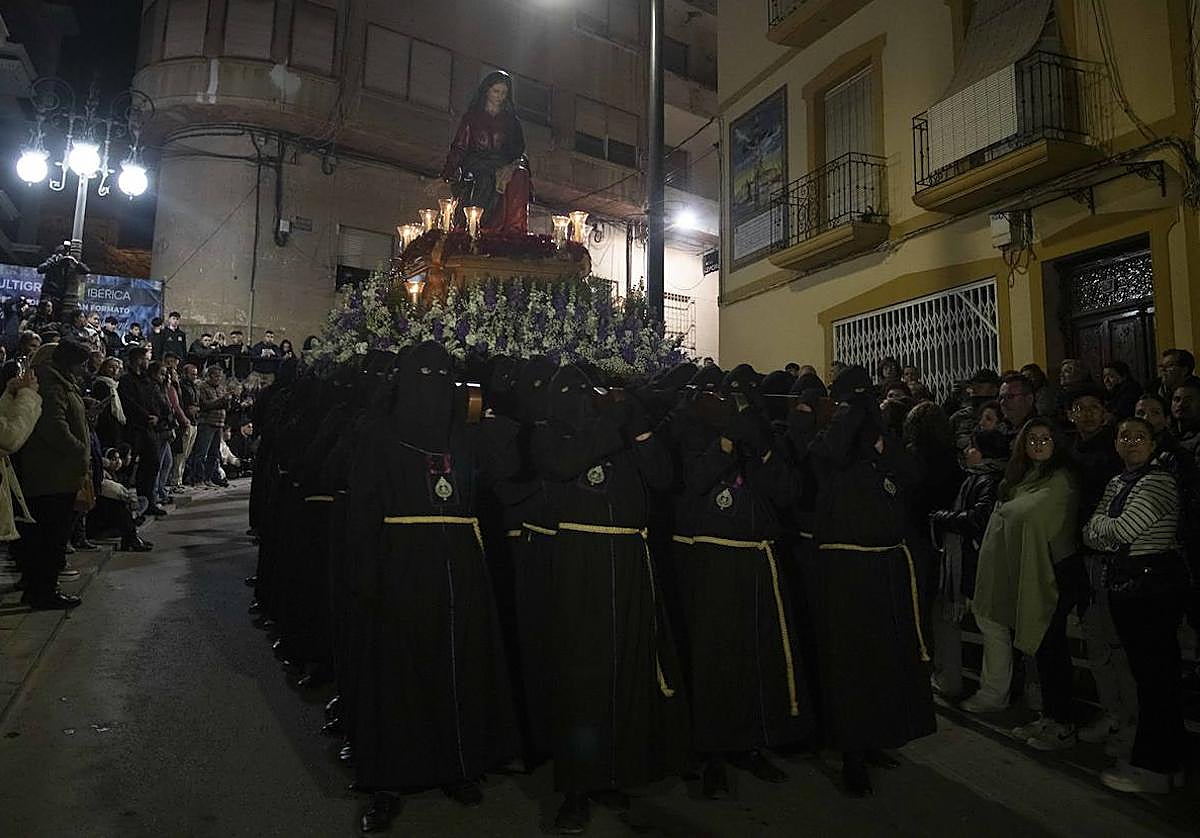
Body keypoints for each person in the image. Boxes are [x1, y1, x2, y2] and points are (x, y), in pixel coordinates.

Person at [349, 342, 521, 832]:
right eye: (423, 376)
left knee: (456, 666)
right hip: (398, 570)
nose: (433, 386)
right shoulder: (380, 438)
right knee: (397, 672)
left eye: (442, 376)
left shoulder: (464, 440)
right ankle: (386, 781)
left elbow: (505, 465)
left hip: (459, 569)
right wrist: (365, 574)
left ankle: (458, 764)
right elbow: (360, 514)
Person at [531, 363, 685, 832]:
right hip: (581, 563)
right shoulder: (549, 433)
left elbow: (662, 478)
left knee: (627, 667)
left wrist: (637, 427)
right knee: (582, 676)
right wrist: (609, 423)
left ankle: (616, 770)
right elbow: (561, 465)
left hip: (629, 560)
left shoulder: (621, 429)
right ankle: (576, 787)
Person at [675, 364, 812, 798]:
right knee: (716, 657)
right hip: (714, 558)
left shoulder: (767, 440)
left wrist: (763, 451)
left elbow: (788, 492)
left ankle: (752, 742)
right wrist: (725, 444)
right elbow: (693, 482)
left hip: (756, 558)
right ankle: (713, 750)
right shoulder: (696, 435)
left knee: (757, 654)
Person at [807, 365, 935, 796]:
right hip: (845, 568)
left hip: (885, 564)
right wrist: (849, 422)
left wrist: (881, 443)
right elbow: (828, 457)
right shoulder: (826, 444)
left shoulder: (883, 443)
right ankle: (851, 752)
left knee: (883, 659)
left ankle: (878, 734)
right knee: (850, 663)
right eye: (850, 403)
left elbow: (914, 476)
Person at [1084, 416, 1189, 794]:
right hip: (1128, 586)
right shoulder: (1117, 481)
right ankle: (1167, 762)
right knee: (1150, 678)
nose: (1130, 442)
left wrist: (1104, 530)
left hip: (1151, 589)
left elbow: (1120, 530)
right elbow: (1089, 530)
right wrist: (1105, 531)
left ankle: (1154, 767)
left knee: (1156, 680)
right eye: (1123, 436)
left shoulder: (1158, 482)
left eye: (1140, 436)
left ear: (1154, 443)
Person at [971, 419, 1082, 751]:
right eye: (1031, 439)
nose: (1038, 444)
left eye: (1045, 438)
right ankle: (1050, 716)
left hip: (1053, 572)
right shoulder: (1023, 478)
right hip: (1028, 570)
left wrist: (1006, 512)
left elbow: (1029, 516)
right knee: (1045, 651)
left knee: (1052, 649)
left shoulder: (1062, 481)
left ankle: (1063, 723)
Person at [929, 429, 1008, 698]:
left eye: (971, 447)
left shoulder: (989, 479)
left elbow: (978, 518)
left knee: (992, 628)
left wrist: (941, 517)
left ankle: (994, 692)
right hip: (975, 559)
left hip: (980, 561)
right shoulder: (979, 478)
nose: (966, 452)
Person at [13, 340, 90, 609]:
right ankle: (43, 591)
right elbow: (53, 425)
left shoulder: (60, 381)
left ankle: (40, 587)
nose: (84, 370)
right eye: (81, 364)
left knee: (50, 535)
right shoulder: (50, 383)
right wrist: (79, 449)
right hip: (52, 472)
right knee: (50, 536)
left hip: (58, 471)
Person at [441, 70, 532, 234]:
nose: (500, 96)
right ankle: (477, 227)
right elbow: (459, 148)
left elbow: (520, 152)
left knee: (520, 175)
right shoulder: (472, 117)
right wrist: (446, 175)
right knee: (485, 179)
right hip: (478, 165)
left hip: (504, 164)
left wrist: (510, 168)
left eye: (504, 93)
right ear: (487, 91)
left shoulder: (511, 121)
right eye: (496, 91)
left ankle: (514, 230)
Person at [117, 347, 169, 517]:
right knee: (128, 468)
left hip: (149, 430)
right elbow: (129, 403)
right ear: (138, 360)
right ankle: (126, 510)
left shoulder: (147, 381)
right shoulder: (126, 381)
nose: (148, 361)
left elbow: (156, 402)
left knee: (152, 464)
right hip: (134, 429)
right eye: (146, 358)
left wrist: (159, 418)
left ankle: (147, 502)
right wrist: (147, 416)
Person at [192, 366, 230, 487]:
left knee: (214, 453)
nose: (218, 379)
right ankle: (198, 479)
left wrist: (228, 401)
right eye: (216, 376)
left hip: (219, 423)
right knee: (202, 453)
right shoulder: (202, 387)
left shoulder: (221, 388)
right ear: (209, 376)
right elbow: (205, 405)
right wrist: (222, 400)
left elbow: (224, 405)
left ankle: (208, 478)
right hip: (207, 423)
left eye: (220, 376)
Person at [950, 368, 1001, 451]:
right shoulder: (961, 415)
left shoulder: (1001, 412)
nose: (974, 388)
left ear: (994, 388)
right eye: (973, 384)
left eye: (980, 385)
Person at [89, 357, 125, 450]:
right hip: (106, 426)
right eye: (111, 367)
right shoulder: (101, 384)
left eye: (116, 367)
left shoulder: (115, 385)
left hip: (115, 425)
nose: (114, 370)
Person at [998, 373, 1037, 448]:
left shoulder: (1040, 430)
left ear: (1029, 399)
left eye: (1010, 397)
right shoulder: (999, 428)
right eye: (1001, 398)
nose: (1003, 402)